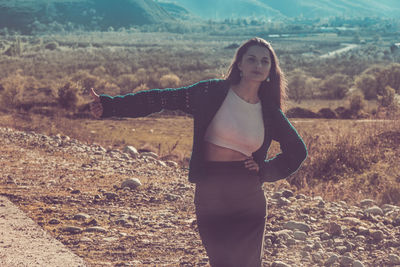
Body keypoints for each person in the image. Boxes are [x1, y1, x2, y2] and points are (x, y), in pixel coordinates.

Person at [90, 37, 307, 267]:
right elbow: (161, 98)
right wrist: (111, 105)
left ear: (271, 70)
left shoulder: (270, 111)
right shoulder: (210, 92)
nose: (258, 65)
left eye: (265, 61)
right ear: (240, 64)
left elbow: (297, 150)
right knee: (221, 261)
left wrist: (265, 170)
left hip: (248, 191)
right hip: (210, 187)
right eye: (252, 59)